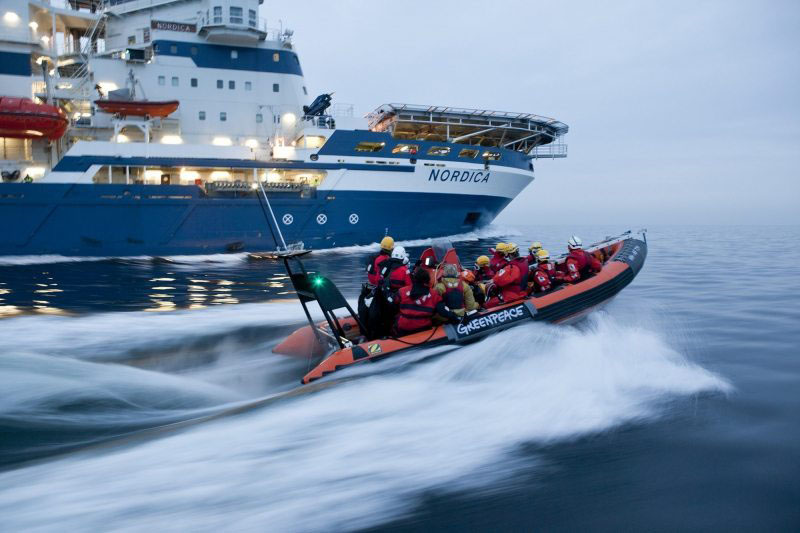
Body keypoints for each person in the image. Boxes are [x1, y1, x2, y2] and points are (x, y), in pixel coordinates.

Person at [393, 268, 461, 336]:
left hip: (403, 328)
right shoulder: (434, 294)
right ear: (427, 280)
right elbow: (443, 311)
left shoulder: (402, 291)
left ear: (414, 278)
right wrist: (456, 318)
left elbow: (393, 304)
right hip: (423, 329)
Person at [485, 242, 527, 307]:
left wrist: (493, 280)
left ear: (509, 254)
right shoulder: (524, 262)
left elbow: (500, 281)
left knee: (487, 304)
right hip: (522, 291)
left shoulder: (512, 267)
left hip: (512, 294)